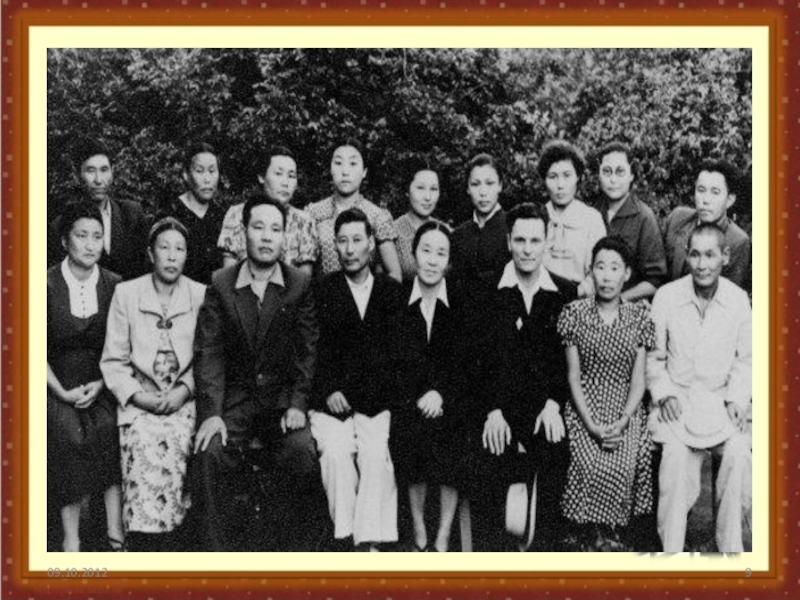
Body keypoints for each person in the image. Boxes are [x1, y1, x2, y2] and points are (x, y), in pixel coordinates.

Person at [192, 195, 321, 552]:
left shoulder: (298, 284)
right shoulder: (221, 283)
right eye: (258, 227)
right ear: (244, 232)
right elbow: (209, 352)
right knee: (208, 453)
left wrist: (298, 403)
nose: (266, 237)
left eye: (275, 229)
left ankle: (293, 556)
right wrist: (212, 413)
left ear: (284, 237)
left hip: (281, 404)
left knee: (301, 453)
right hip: (235, 402)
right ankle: (215, 558)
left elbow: (307, 350)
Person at [470, 202, 576, 552]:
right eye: (520, 240)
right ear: (508, 242)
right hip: (498, 408)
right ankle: (493, 557)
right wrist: (492, 410)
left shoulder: (565, 293)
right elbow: (477, 362)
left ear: (547, 241)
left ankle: (542, 553)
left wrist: (553, 404)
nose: (527, 249)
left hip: (543, 407)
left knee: (555, 450)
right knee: (489, 452)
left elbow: (564, 362)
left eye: (535, 240)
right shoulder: (485, 290)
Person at [100, 217, 206, 551]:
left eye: (179, 249)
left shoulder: (200, 294)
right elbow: (114, 360)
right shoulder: (127, 293)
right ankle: (142, 540)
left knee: (180, 436)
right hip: (140, 399)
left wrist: (183, 391)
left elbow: (207, 358)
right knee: (142, 437)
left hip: (183, 398)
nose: (172, 256)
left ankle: (176, 536)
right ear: (150, 253)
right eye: (164, 248)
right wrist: (138, 397)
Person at [647, 223, 752, 553]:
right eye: (695, 255)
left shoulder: (738, 301)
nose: (702, 265)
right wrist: (664, 392)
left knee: (738, 451)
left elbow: (746, 359)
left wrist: (736, 399)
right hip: (677, 401)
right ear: (686, 256)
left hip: (720, 401)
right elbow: (653, 357)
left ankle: (730, 550)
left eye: (710, 255)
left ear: (725, 256)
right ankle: (672, 552)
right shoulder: (667, 297)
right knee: (676, 459)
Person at [310, 207, 403, 552]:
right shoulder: (322, 290)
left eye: (357, 240)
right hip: (330, 401)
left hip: (375, 401)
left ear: (371, 243)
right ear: (334, 245)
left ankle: (369, 544)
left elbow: (397, 355)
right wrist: (328, 390)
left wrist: (370, 398)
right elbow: (311, 349)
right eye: (342, 241)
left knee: (375, 456)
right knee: (335, 454)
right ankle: (348, 538)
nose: (349, 249)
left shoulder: (390, 292)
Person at [557, 236, 656, 550]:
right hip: (585, 404)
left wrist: (623, 421)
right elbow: (573, 376)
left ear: (627, 273)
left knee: (625, 464)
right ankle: (585, 537)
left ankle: (615, 537)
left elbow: (638, 380)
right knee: (585, 462)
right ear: (591, 271)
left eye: (615, 268)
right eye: (600, 267)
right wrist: (592, 425)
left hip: (626, 406)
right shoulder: (574, 313)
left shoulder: (639, 317)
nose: (607, 276)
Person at [47, 201, 124, 552]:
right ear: (65, 240)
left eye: (97, 236)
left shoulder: (115, 285)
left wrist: (103, 382)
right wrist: (61, 392)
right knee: (67, 433)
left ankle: (115, 533)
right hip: (55, 382)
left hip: (102, 380)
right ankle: (72, 538)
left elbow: (123, 346)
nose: (91, 244)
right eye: (82, 236)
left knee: (110, 426)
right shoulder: (44, 283)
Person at [391, 221, 468, 552]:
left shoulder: (462, 303)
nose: (432, 261)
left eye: (441, 253)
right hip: (410, 400)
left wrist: (441, 394)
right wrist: (419, 396)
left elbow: (466, 365)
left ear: (449, 260)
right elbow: (393, 364)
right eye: (426, 251)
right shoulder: (396, 301)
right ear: (413, 254)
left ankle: (444, 534)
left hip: (450, 400)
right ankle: (419, 528)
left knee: (454, 433)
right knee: (412, 432)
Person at [48, 137, 150, 281]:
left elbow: (145, 271)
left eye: (104, 170)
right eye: (90, 171)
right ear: (77, 175)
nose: (98, 180)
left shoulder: (132, 215)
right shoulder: (60, 225)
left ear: (112, 172)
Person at [217, 145, 320, 277]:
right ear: (262, 177)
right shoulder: (237, 214)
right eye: (278, 174)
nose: (285, 182)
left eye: (291, 176)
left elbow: (304, 279)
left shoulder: (304, 221)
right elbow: (228, 274)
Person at [306, 141, 402, 281]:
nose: (345, 172)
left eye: (353, 164)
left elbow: (395, 274)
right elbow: (304, 276)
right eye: (338, 163)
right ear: (330, 169)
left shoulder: (377, 216)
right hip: (323, 293)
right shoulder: (313, 214)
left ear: (364, 172)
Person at [594, 142, 666, 301]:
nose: (613, 179)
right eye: (607, 172)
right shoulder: (592, 212)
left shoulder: (644, 217)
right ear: (599, 174)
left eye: (620, 172)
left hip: (628, 306)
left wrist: (618, 300)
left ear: (631, 175)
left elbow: (655, 280)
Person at [662, 159, 751, 290]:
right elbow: (656, 271)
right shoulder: (678, 218)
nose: (706, 200)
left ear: (729, 200)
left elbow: (728, 293)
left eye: (715, 192)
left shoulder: (738, 241)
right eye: (701, 190)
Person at [538, 140, 607, 298]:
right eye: (553, 177)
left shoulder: (591, 219)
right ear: (544, 180)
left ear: (578, 177)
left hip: (579, 299)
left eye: (567, 175)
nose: (560, 185)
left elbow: (599, 270)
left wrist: (580, 292)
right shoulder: (536, 217)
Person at [159, 142, 227, 285]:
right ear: (186, 175)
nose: (207, 179)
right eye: (199, 171)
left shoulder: (224, 217)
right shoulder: (170, 215)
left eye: (212, 171)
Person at [450, 153, 510, 288]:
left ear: (500, 185)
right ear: (468, 188)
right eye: (475, 184)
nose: (483, 192)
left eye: (489, 183)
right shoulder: (458, 235)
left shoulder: (513, 229)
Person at [393, 159, 442, 281]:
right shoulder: (392, 233)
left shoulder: (445, 232)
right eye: (420, 188)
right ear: (407, 191)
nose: (428, 197)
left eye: (433, 189)